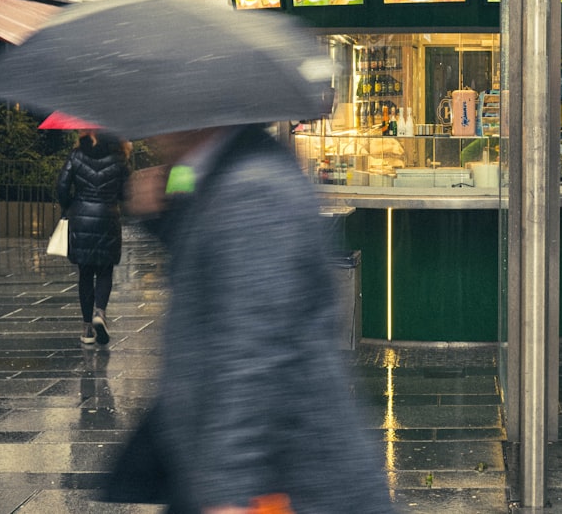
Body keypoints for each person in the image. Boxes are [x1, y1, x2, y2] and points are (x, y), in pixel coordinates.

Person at [103, 124, 393, 514]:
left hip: (279, 481)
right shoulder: (215, 169)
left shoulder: (255, 187)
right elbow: (211, 260)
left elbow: (254, 350)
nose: (155, 133)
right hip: (227, 468)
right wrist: (159, 218)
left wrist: (228, 488)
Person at [57, 130, 130, 346]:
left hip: (81, 217)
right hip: (108, 217)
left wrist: (70, 205)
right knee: (105, 269)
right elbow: (127, 193)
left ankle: (87, 328)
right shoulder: (119, 158)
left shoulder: (76, 155)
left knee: (86, 273)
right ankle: (101, 312)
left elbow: (62, 185)